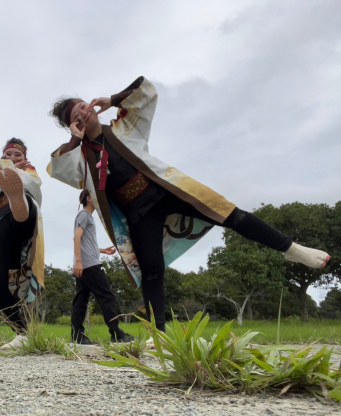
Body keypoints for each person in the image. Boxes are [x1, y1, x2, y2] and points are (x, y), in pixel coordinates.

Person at [47, 76, 330, 332]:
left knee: (230, 214)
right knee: (152, 272)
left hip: (168, 191)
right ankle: (159, 333)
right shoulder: (80, 159)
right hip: (139, 213)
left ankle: (291, 249)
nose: (83, 113)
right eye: (75, 117)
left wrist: (112, 100)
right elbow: (57, 168)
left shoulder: (124, 127)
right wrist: (75, 139)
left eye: (82, 106)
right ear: (74, 126)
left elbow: (147, 92)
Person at [0, 138, 44, 349]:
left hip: (23, 221)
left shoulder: (30, 171)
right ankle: (22, 334)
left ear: (25, 158)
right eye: (8, 155)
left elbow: (35, 186)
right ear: (2, 156)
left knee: (23, 207)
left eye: (18, 155)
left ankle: (18, 201)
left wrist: (16, 173)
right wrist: (5, 171)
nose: (13, 158)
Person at [72, 189, 134, 345]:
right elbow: (76, 237)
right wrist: (78, 261)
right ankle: (117, 334)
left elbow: (86, 243)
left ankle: (77, 336)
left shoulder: (86, 216)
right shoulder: (84, 215)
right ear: (89, 199)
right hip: (90, 265)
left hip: (85, 265)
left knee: (81, 300)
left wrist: (102, 251)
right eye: (95, 196)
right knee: (107, 297)